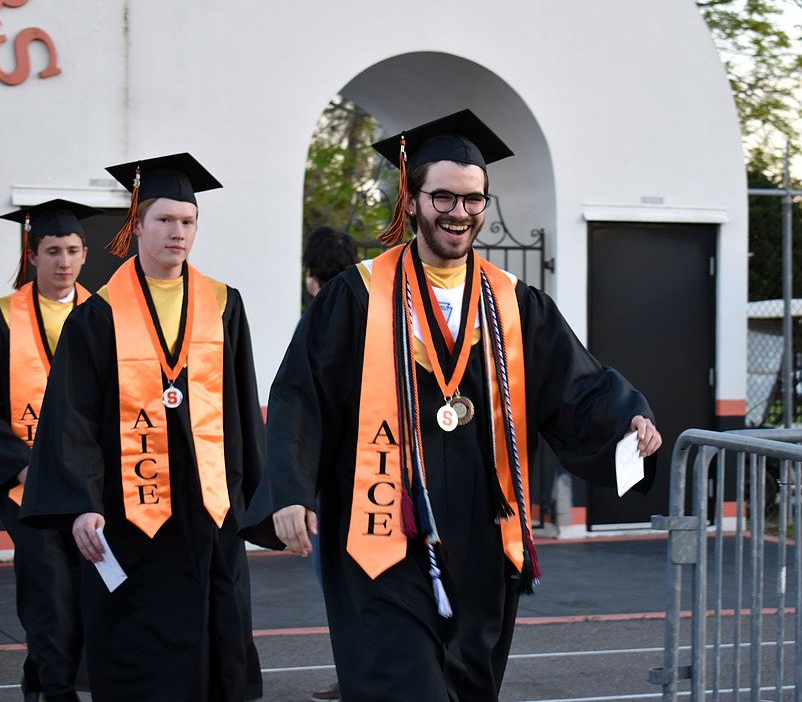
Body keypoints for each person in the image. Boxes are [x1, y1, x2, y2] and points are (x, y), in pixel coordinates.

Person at [242, 109, 663, 702]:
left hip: (484, 535)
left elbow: (575, 385)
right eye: (443, 197)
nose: (459, 213)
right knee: (404, 683)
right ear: (411, 199)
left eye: (473, 200)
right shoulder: (358, 294)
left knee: (468, 686)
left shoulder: (516, 302)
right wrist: (288, 490)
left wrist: (628, 419)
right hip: (382, 526)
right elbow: (299, 395)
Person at [19, 153, 266, 701]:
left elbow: (241, 407)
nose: (177, 232)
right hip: (131, 515)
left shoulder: (224, 305)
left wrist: (259, 497)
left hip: (210, 511)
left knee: (217, 642)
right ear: (136, 224)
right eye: (163, 220)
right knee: (141, 655)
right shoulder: (99, 313)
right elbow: (75, 417)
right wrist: (82, 501)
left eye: (188, 221)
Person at [0, 199, 98, 702]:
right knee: (50, 592)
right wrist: (22, 468)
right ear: (33, 255)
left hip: (89, 484)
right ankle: (58, 691)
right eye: (53, 251)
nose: (64, 262)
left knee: (86, 592)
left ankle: (41, 680)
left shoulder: (104, 314)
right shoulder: (1, 319)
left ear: (84, 254)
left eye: (72, 250)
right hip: (28, 484)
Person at [301, 226, 358, 702]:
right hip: (383, 468)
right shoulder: (376, 308)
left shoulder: (318, 316)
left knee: (339, 583)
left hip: (332, 475)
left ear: (309, 276)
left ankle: (355, 673)